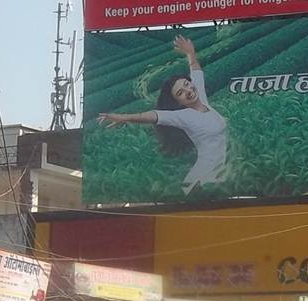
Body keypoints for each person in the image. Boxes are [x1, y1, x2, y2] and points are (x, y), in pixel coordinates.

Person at [98, 35, 228, 193]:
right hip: (201, 180)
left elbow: (195, 70)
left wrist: (190, 53)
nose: (188, 91)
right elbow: (153, 115)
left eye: (187, 85)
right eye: (180, 92)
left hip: (221, 174)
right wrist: (125, 117)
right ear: (178, 102)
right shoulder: (183, 116)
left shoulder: (201, 99)